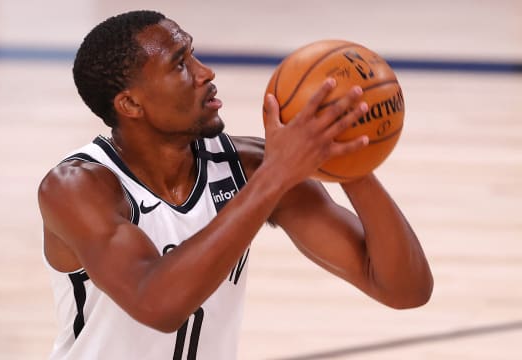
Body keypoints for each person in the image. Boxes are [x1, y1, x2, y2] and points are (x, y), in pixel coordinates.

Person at [37, 9, 433, 360]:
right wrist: (275, 177)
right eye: (179, 65)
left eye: (193, 54)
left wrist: (349, 160)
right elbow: (156, 303)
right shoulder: (75, 188)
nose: (205, 72)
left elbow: (405, 290)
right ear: (131, 104)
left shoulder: (250, 166)